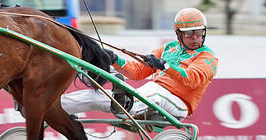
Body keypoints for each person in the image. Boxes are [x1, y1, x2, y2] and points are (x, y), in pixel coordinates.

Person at [61, 8, 219, 120]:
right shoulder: (168, 48)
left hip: (179, 103)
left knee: (153, 91)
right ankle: (56, 107)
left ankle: (125, 105)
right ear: (179, 34)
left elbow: (192, 79)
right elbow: (138, 72)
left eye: (198, 32)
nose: (195, 37)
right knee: (95, 95)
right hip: (151, 94)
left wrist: (164, 66)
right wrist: (115, 59)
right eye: (189, 33)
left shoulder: (208, 57)